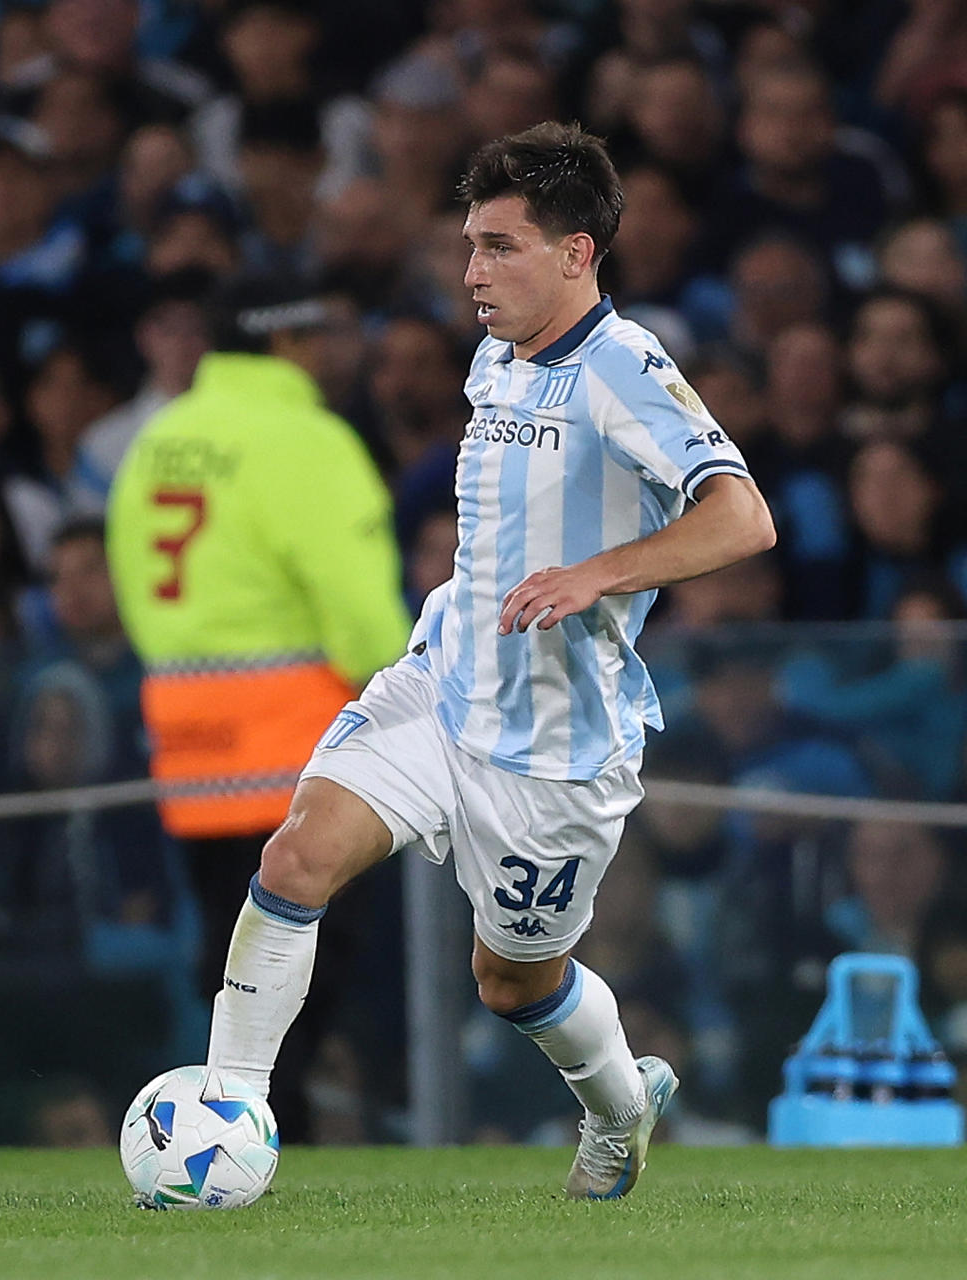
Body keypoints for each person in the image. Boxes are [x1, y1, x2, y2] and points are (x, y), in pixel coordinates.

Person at [205, 123, 776, 1198]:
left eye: (503, 246)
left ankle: (620, 1107)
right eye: (471, 244)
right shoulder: (495, 356)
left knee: (512, 981)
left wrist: (601, 570)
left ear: (577, 254)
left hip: (556, 750)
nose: (473, 271)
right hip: (442, 682)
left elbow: (743, 519)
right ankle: (227, 1116)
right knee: (294, 857)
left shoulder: (625, 366)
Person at [104, 272, 410, 1138]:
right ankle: (270, 1122)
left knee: (225, 945)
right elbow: (361, 617)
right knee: (314, 950)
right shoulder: (306, 440)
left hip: (190, 747)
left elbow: (134, 588)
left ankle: (222, 1117)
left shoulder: (158, 440)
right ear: (288, 342)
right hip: (297, 746)